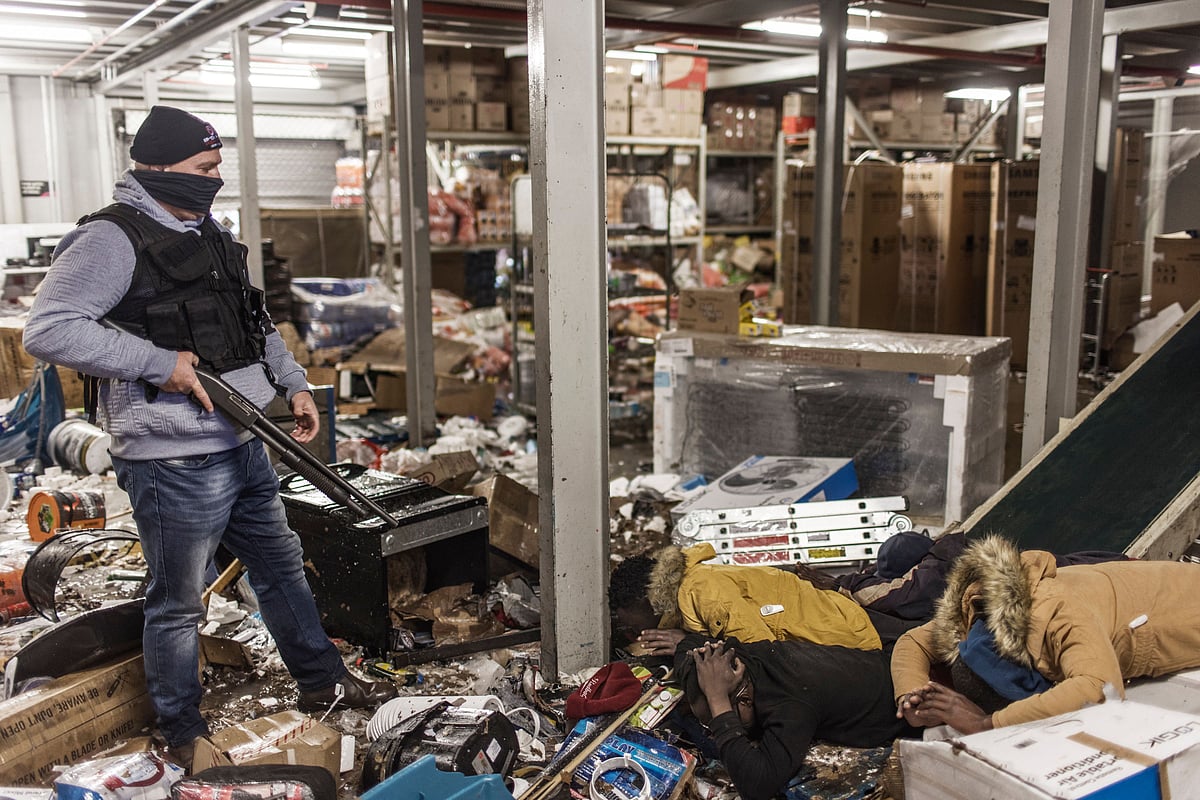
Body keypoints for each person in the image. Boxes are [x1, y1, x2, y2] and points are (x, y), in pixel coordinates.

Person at [23, 105, 397, 767]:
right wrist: (158, 364)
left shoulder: (206, 230)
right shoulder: (112, 240)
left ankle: (324, 685)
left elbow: (253, 321)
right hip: (173, 459)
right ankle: (181, 732)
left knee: (282, 569)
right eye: (204, 168)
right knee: (178, 602)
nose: (215, 179)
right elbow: (48, 329)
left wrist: (295, 383)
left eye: (217, 166)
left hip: (243, 441)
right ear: (156, 166)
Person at [892, 534, 1200, 734]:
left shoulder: (1057, 616)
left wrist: (986, 723)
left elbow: (1099, 688)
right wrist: (910, 696)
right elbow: (914, 641)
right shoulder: (980, 610)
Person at [676, 634, 916, 800]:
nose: (711, 728)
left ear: (745, 700)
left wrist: (718, 703)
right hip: (883, 666)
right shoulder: (740, 659)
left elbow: (757, 786)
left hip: (906, 719)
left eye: (714, 720)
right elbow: (689, 643)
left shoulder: (790, 703)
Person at [609, 543, 884, 657]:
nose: (633, 634)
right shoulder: (683, 591)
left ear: (645, 602)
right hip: (832, 630)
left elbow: (765, 654)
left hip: (848, 643)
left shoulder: (704, 591)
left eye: (631, 626)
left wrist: (689, 644)